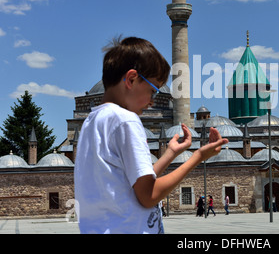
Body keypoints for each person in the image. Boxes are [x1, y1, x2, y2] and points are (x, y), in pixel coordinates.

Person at [74, 36, 228, 234]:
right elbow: (148, 195)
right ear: (131, 79)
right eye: (153, 90)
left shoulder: (92, 121)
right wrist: (198, 156)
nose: (152, 101)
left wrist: (170, 154)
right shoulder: (126, 120)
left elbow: (134, 183)